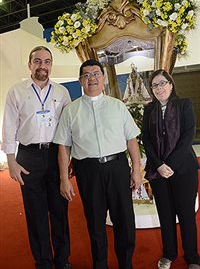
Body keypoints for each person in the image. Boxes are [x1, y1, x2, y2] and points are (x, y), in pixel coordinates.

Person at [53, 59, 141, 269]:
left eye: (95, 74)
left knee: (125, 223)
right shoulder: (70, 111)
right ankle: (100, 265)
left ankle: (126, 264)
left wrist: (136, 170)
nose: (91, 78)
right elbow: (63, 147)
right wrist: (64, 179)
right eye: (86, 75)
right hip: (88, 172)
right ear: (80, 80)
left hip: (117, 168)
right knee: (95, 225)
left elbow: (131, 139)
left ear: (102, 78)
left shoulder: (117, 106)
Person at [2, 46, 72, 269]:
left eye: (47, 61)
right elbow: (9, 127)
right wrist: (11, 160)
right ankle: (43, 262)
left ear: (51, 65)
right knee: (36, 213)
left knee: (59, 211)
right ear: (30, 64)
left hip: (55, 155)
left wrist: (70, 160)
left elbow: (69, 129)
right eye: (38, 61)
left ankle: (62, 261)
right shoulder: (16, 92)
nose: (43, 65)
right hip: (28, 156)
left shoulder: (62, 93)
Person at [141, 69, 200, 269]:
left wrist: (170, 165)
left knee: (186, 215)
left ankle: (192, 257)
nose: (159, 88)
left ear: (171, 84)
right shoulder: (149, 109)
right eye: (155, 85)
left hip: (183, 170)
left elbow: (187, 136)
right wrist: (158, 165)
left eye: (162, 83)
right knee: (165, 215)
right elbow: (146, 139)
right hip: (158, 172)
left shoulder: (184, 105)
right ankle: (169, 254)